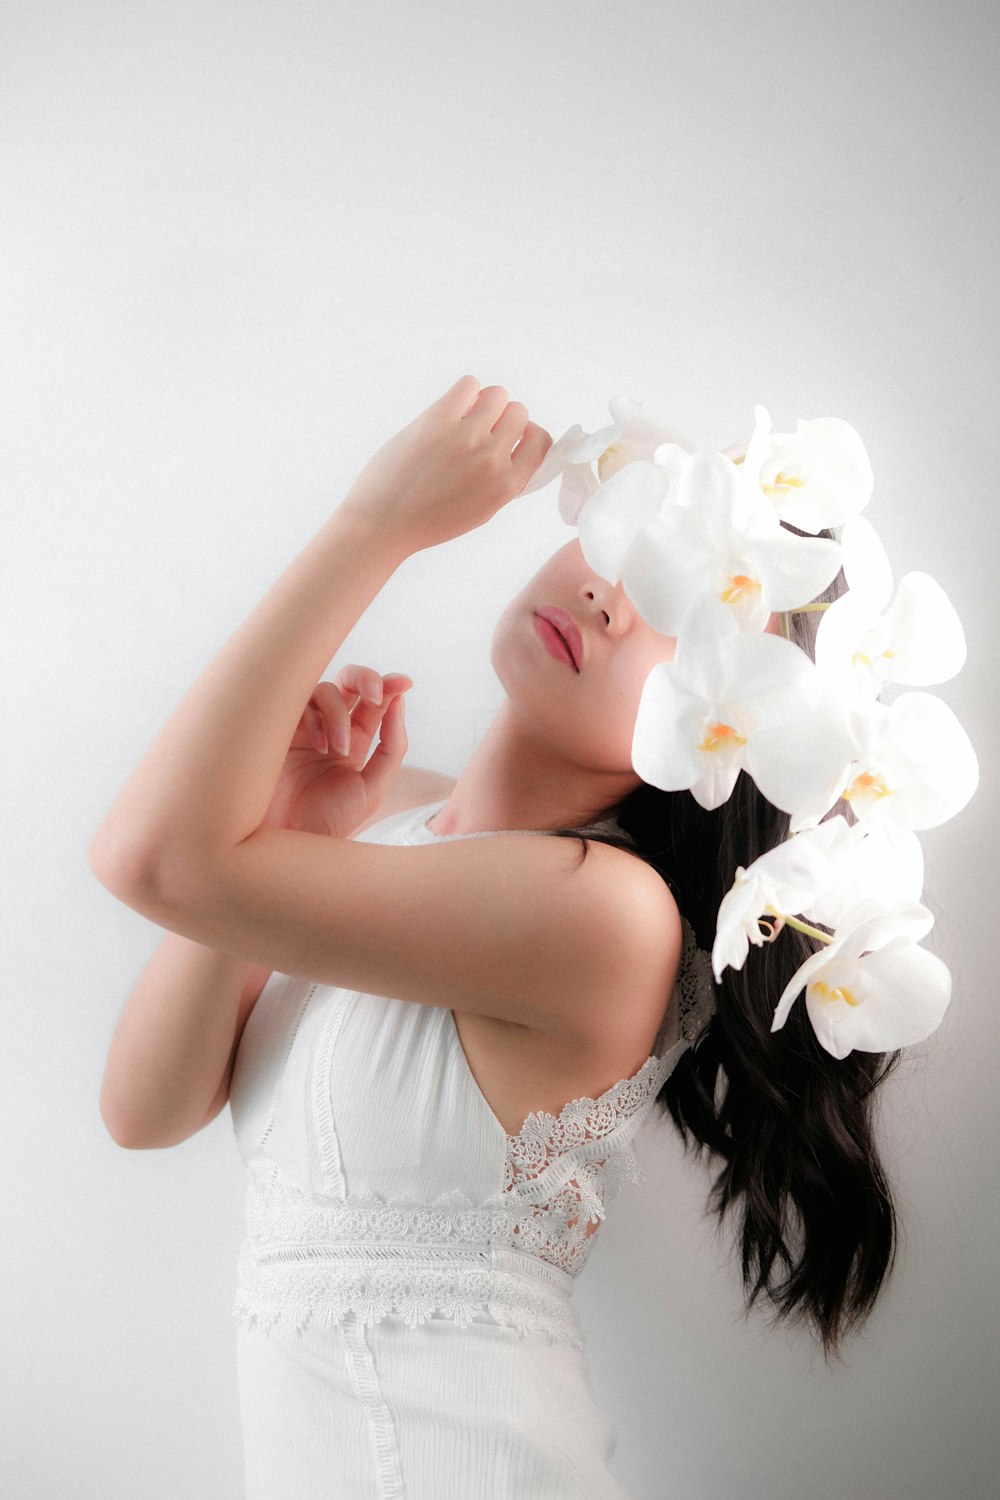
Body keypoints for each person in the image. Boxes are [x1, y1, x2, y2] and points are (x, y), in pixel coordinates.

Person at [91, 376, 902, 1498]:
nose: (618, 601)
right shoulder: (387, 818)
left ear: (728, 734)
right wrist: (282, 834)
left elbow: (150, 858)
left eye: (686, 624)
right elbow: (147, 1106)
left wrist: (372, 526)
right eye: (645, 550)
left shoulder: (605, 916)